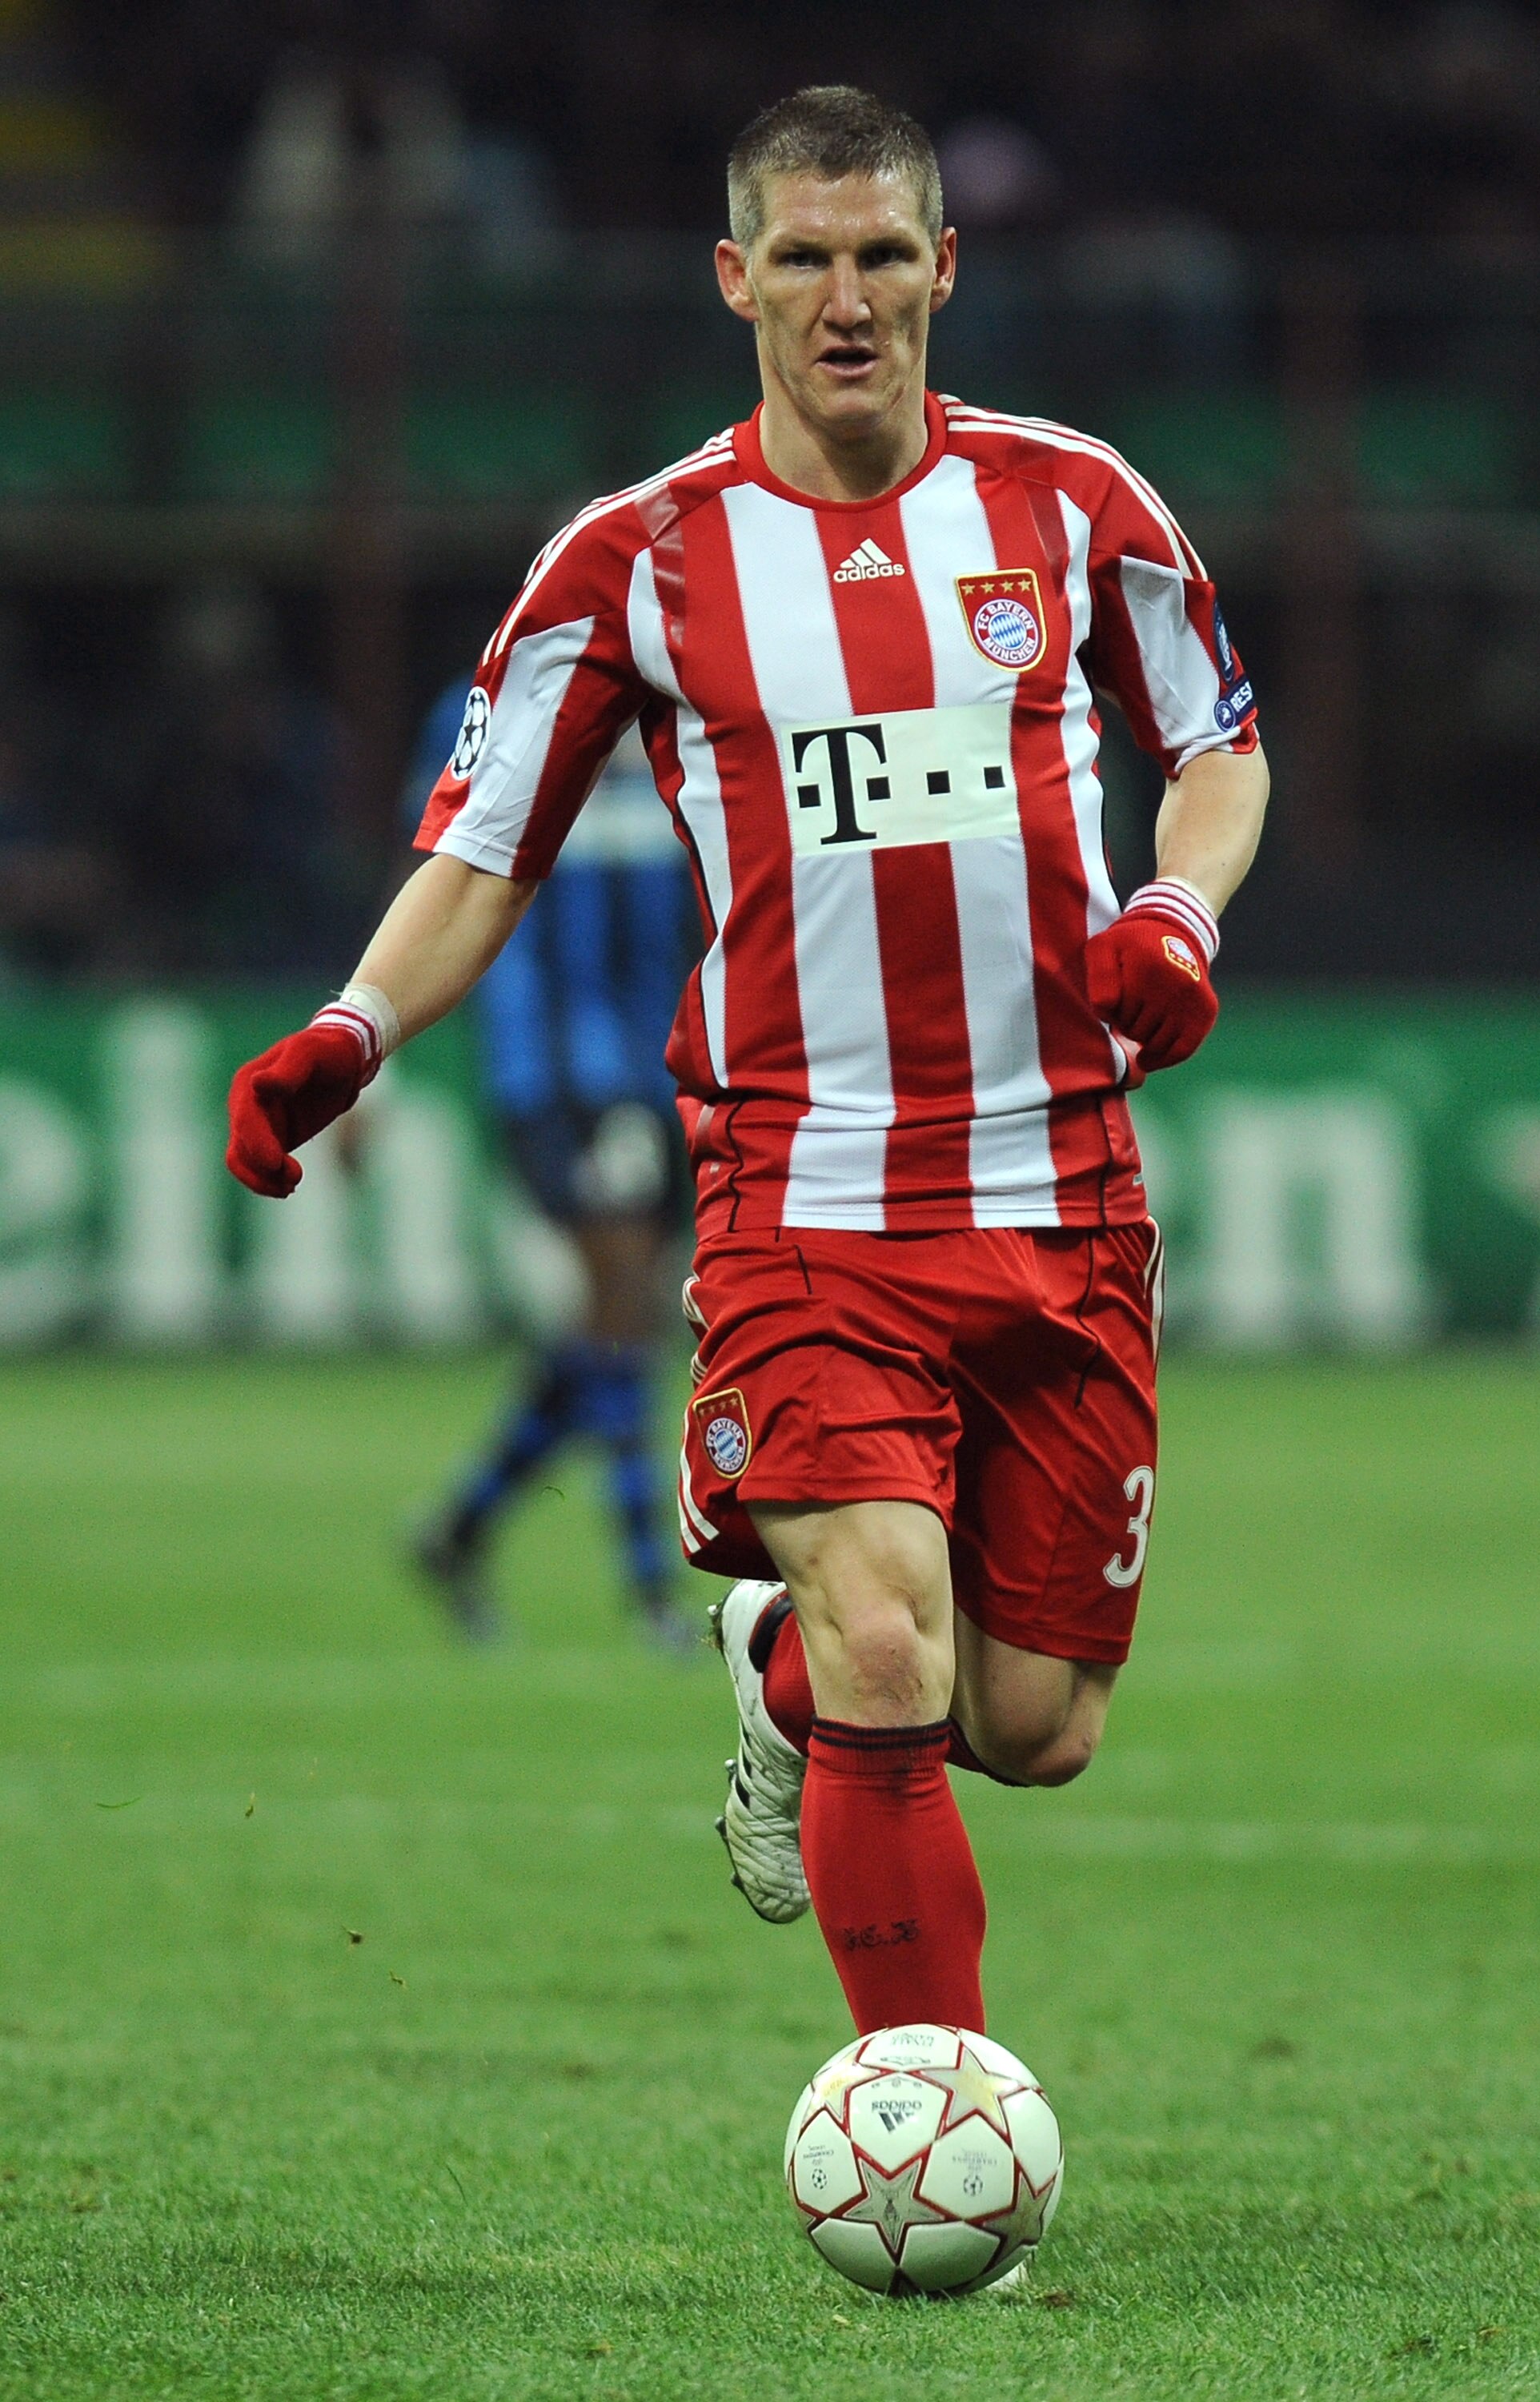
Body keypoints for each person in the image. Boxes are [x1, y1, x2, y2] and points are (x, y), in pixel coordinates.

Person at [225, 86, 1268, 2057]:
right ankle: (918, 2110)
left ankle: (770, 1658)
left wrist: (1176, 910)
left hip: (1060, 1193)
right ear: (736, 279)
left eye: (883, 254)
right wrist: (350, 1032)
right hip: (801, 1195)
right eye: (803, 256)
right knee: (896, 1642)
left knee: (1030, 1725)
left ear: (945, 269)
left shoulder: (1075, 504)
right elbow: (484, 848)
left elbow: (1218, 743)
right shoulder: (633, 561)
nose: (846, 296)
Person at [402, 688, 694, 1647]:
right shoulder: (496, 705)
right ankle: (651, 1589)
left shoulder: (699, 691)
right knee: (620, 1304)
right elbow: (436, 871)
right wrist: (371, 1051)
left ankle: (461, 1529)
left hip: (662, 1066)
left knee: (618, 1319)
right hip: (552, 1069)